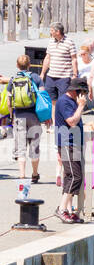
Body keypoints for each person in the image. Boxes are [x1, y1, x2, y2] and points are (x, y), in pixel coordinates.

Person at [5, 55, 44, 183]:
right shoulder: (36, 77)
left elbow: (9, 101)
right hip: (34, 115)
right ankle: (34, 173)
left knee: (21, 147)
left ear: (17, 65)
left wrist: (11, 116)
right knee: (34, 147)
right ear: (30, 65)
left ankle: (22, 175)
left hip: (19, 116)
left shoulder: (13, 79)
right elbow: (43, 97)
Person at [54, 78, 88, 223]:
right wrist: (81, 107)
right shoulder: (65, 101)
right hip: (68, 143)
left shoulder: (71, 101)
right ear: (77, 91)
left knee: (71, 176)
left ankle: (67, 209)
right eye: (83, 92)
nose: (84, 96)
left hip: (74, 143)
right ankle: (62, 209)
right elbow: (72, 122)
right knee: (75, 177)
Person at [41, 22, 79, 104]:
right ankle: (54, 117)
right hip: (51, 76)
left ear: (57, 32)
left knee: (63, 100)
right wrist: (42, 73)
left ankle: (62, 117)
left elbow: (74, 59)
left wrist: (75, 74)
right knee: (51, 101)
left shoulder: (69, 42)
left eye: (51, 30)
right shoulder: (51, 42)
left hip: (64, 77)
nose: (50, 32)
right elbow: (47, 58)